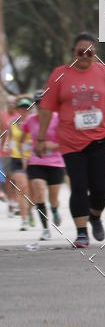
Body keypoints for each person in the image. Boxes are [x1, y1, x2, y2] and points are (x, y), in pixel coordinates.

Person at [34, 32, 105, 248]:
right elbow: (46, 110)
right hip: (70, 141)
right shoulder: (59, 75)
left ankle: (95, 216)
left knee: (100, 190)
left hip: (99, 138)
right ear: (72, 53)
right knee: (78, 186)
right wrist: (40, 139)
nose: (85, 56)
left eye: (90, 52)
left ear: (95, 54)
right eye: (80, 52)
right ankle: (81, 232)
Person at [22, 91, 65, 240]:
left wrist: (50, 146)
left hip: (56, 163)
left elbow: (65, 142)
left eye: (44, 103)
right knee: (39, 193)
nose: (41, 106)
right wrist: (24, 154)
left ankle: (54, 210)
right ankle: (46, 229)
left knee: (53, 199)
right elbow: (21, 139)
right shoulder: (30, 120)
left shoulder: (57, 119)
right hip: (36, 162)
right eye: (38, 103)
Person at [7, 97, 34, 230]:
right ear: (18, 110)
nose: (24, 110)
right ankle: (24, 220)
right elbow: (10, 139)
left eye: (27, 108)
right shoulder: (12, 123)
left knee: (32, 191)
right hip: (16, 158)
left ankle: (30, 211)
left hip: (32, 159)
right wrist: (8, 147)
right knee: (22, 188)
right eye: (21, 108)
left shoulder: (34, 122)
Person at [1, 95, 18, 214]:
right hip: (5, 150)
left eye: (13, 103)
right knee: (8, 178)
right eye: (9, 102)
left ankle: (16, 200)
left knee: (18, 177)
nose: (11, 104)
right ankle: (11, 204)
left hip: (18, 150)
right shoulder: (2, 115)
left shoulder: (19, 115)